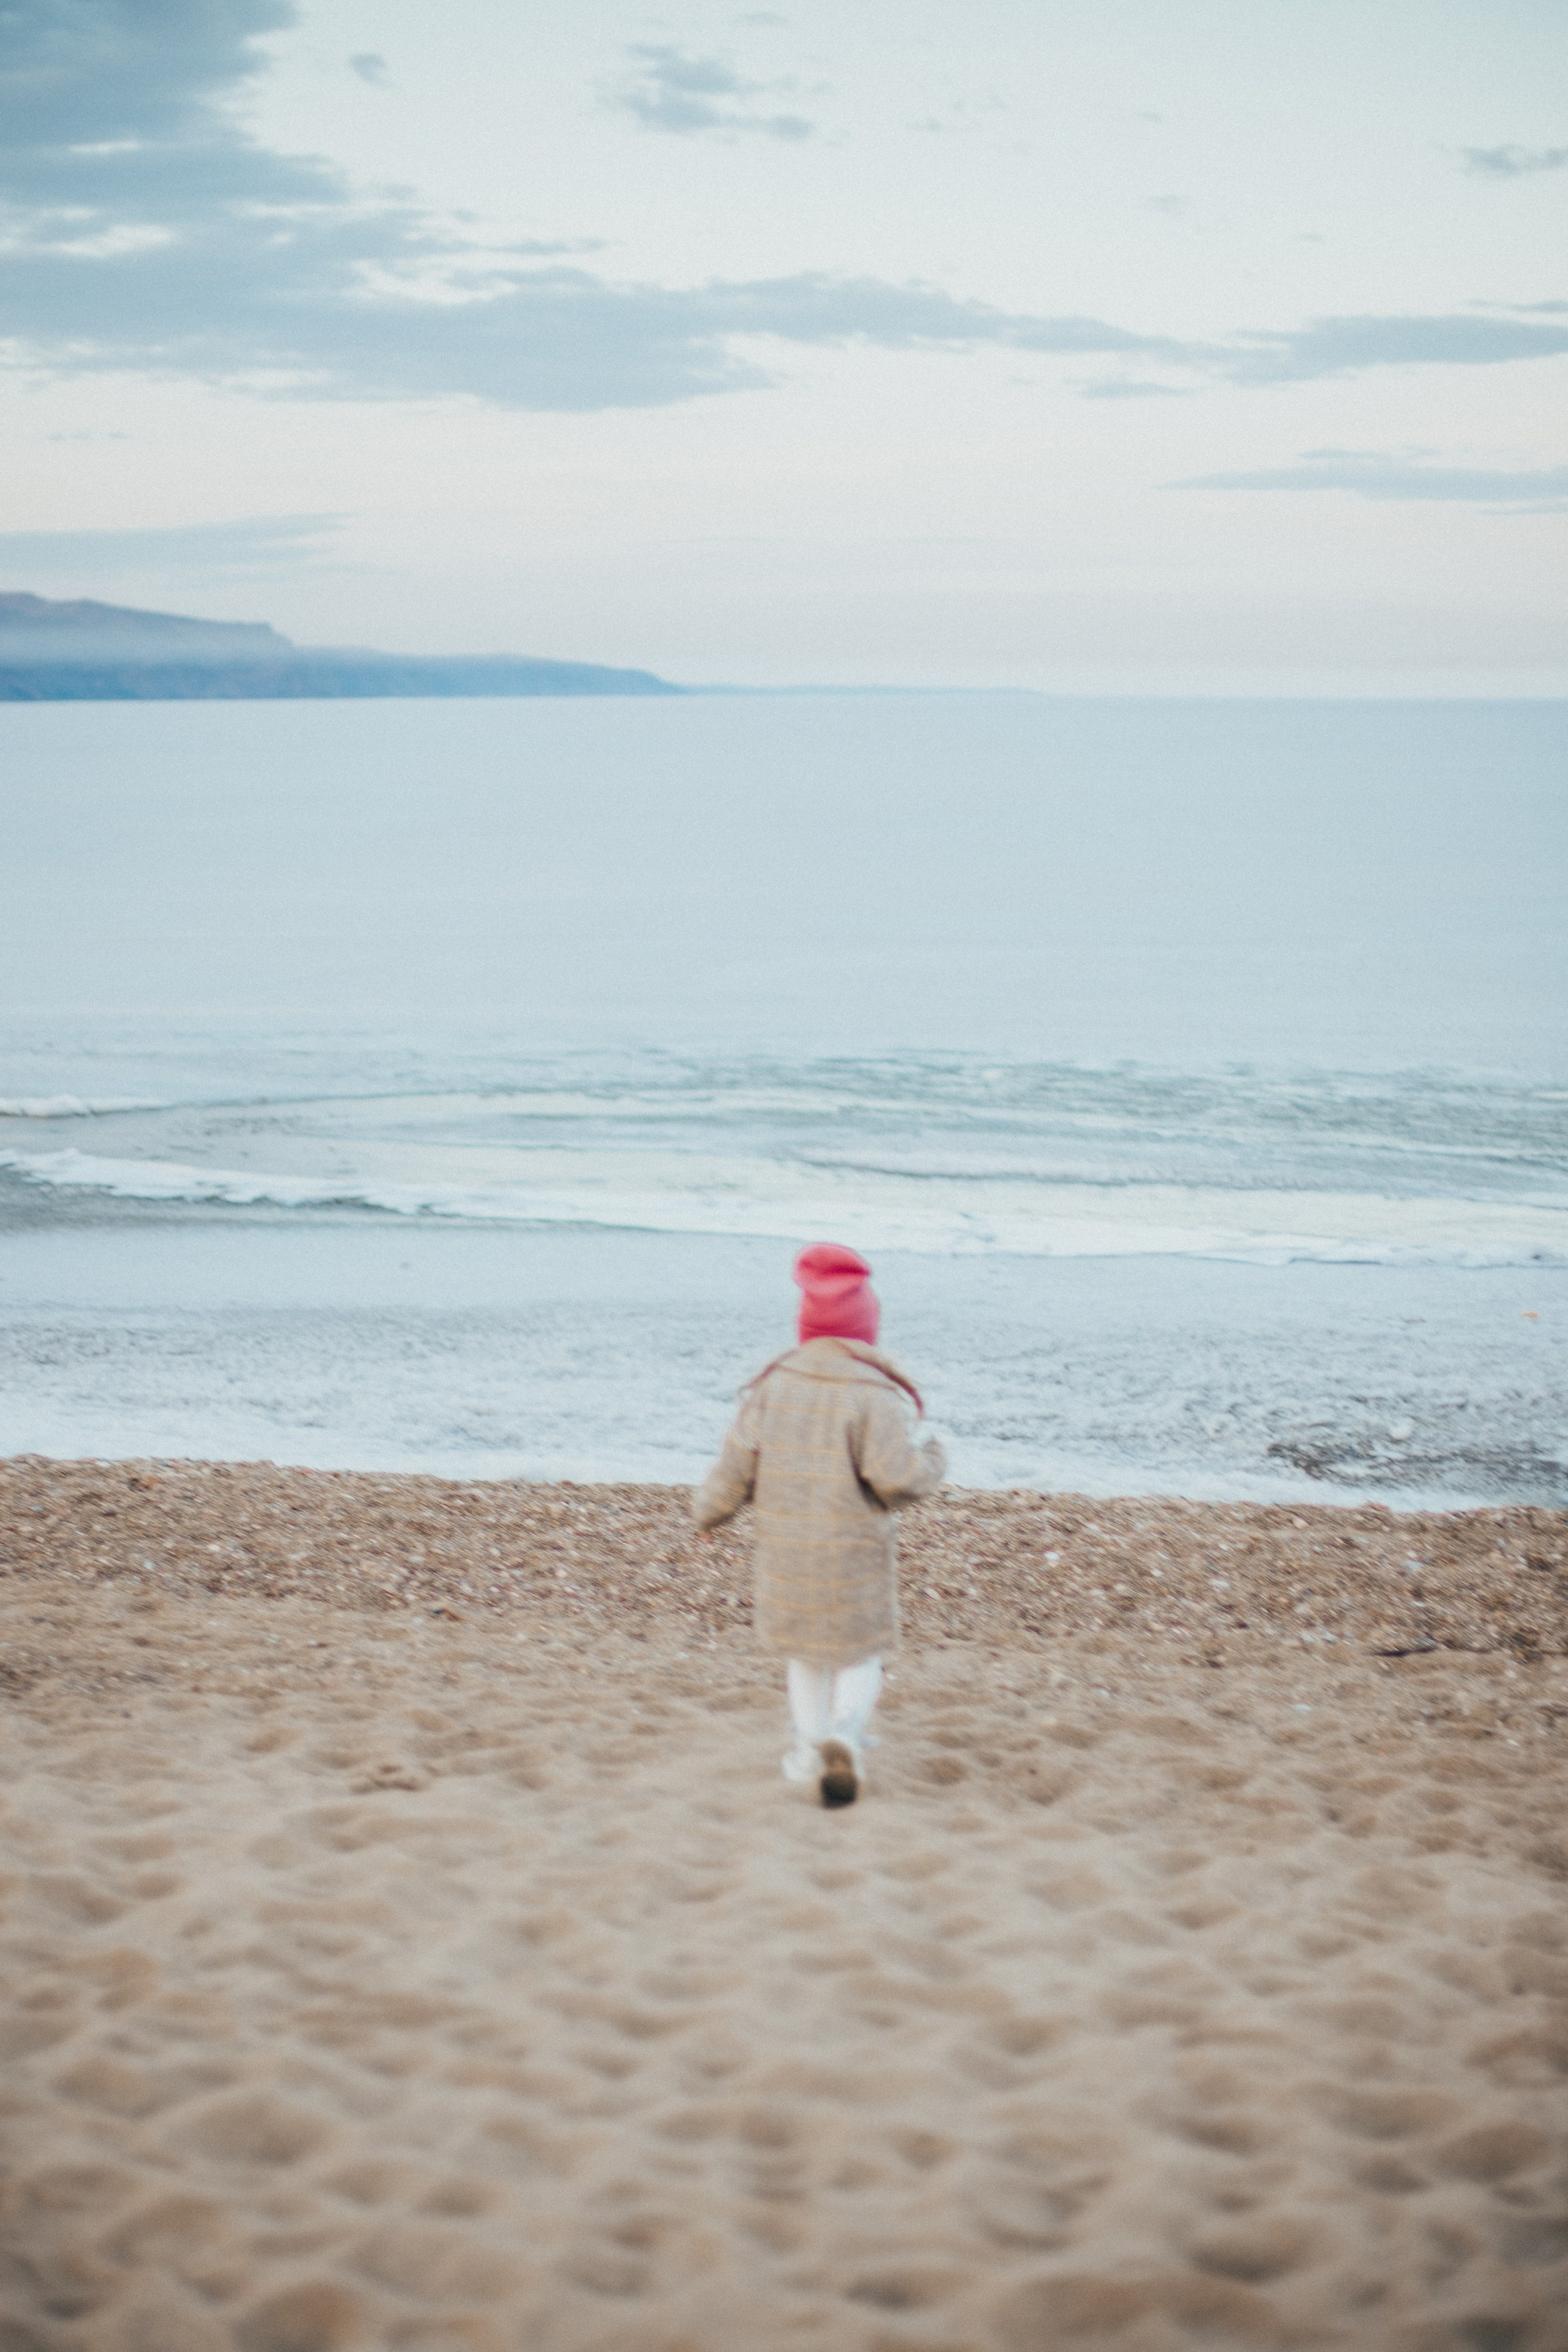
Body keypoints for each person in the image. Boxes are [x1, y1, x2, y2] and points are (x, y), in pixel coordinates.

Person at [692, 1243, 946, 1807]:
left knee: (805, 1655)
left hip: (788, 1553)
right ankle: (846, 1732)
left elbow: (736, 1466)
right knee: (860, 1653)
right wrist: (934, 1458)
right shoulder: (873, 1391)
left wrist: (708, 1512)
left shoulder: (773, 1385)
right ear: (866, 1329)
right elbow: (895, 1478)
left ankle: (810, 1750)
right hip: (854, 1551)